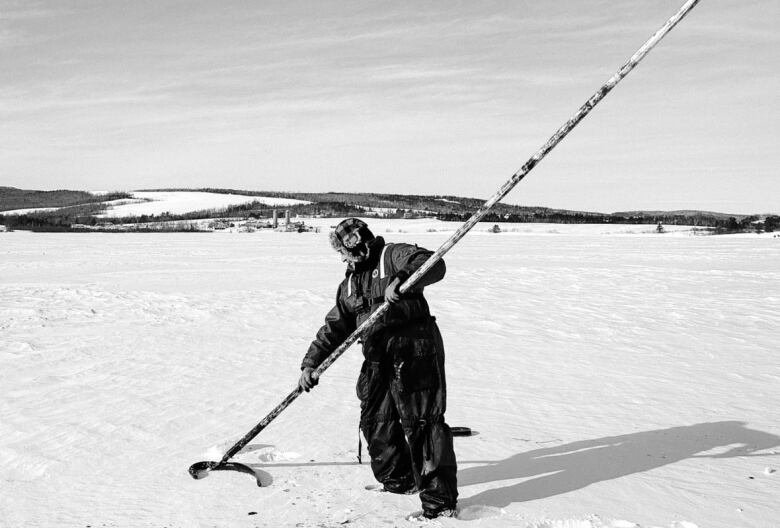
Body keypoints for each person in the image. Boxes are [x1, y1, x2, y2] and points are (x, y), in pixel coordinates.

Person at [299, 218, 458, 519]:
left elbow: (433, 264)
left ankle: (440, 504)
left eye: (342, 251)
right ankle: (401, 482)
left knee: (423, 424)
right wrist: (311, 364)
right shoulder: (348, 284)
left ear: (355, 243)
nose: (341, 258)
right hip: (376, 355)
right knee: (376, 421)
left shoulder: (392, 255)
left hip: (414, 347)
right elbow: (334, 327)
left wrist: (403, 277)